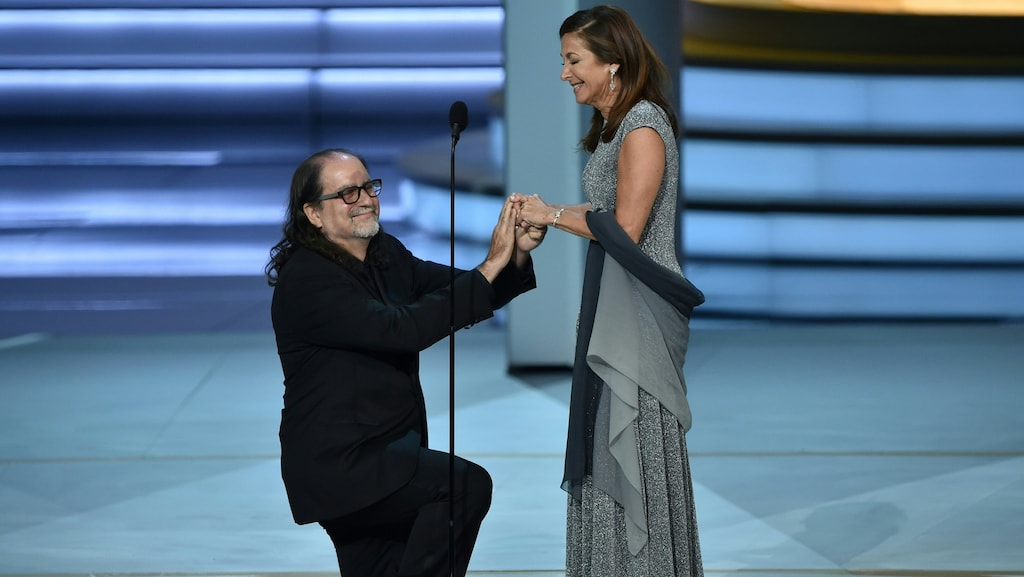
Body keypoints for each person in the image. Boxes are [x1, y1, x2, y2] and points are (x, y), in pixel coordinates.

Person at [266, 148, 545, 577]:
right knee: (462, 487)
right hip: (344, 465)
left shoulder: (385, 254)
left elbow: (462, 289)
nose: (364, 198)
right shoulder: (306, 279)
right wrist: (492, 261)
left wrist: (516, 255)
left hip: (387, 454)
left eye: (368, 186)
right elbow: (402, 329)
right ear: (313, 214)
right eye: (346, 192)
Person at [514, 5, 706, 576]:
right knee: (606, 441)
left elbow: (624, 228)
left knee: (632, 441)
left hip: (639, 316)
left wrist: (551, 215)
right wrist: (543, 214)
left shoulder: (643, 126)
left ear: (613, 64)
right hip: (612, 307)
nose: (564, 73)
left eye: (574, 60)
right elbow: (605, 213)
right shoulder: (618, 126)